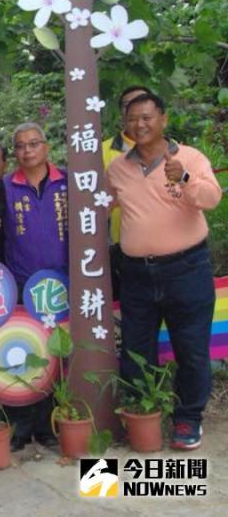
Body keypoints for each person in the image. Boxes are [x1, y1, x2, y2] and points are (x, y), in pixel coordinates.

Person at [106, 92, 222, 450]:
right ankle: (144, 414)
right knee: (137, 351)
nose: (139, 125)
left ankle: (188, 420)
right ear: (124, 125)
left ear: (163, 119)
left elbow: (212, 199)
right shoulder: (117, 168)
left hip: (187, 269)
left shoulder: (189, 157)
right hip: (136, 274)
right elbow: (102, 205)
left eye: (147, 117)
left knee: (191, 349)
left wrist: (184, 177)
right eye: (132, 119)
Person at [0, 123, 67, 452]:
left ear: (46, 147)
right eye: (20, 146)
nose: (27, 150)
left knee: (57, 354)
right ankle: (19, 427)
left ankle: (48, 425)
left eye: (34, 144)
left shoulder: (69, 181)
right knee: (21, 351)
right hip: (21, 283)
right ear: (13, 153)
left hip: (63, 283)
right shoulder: (4, 187)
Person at [102, 85, 149, 296]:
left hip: (169, 250)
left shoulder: (172, 148)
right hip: (123, 249)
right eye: (128, 105)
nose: (135, 109)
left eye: (141, 102)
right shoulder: (102, 150)